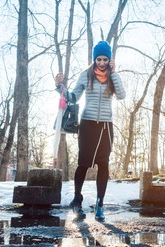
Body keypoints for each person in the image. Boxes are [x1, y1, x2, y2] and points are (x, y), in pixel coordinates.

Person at [55, 41, 126, 221]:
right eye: (98, 59)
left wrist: (115, 73)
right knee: (83, 163)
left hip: (105, 126)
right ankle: (77, 200)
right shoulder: (86, 75)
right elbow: (73, 97)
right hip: (87, 124)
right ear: (94, 59)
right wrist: (60, 87)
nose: (101, 62)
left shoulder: (112, 76)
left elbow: (122, 95)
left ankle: (100, 204)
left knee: (104, 164)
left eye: (105, 59)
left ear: (109, 60)